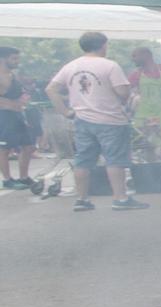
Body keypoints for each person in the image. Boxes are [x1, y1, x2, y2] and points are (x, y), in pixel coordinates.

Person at [48, 32, 146, 211]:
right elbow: (123, 93)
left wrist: (65, 112)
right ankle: (120, 198)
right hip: (111, 120)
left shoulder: (71, 66)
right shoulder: (109, 65)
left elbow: (51, 89)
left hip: (82, 120)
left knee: (83, 160)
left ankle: (82, 199)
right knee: (114, 160)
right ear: (103, 45)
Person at [0, 46, 37, 188]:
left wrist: (21, 104)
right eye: (14, 58)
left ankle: (23, 177)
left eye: (17, 58)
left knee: (28, 146)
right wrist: (7, 104)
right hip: (4, 116)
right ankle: (7, 180)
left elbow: (19, 96)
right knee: (4, 149)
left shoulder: (12, 75)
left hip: (17, 115)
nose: (17, 61)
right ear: (2, 59)